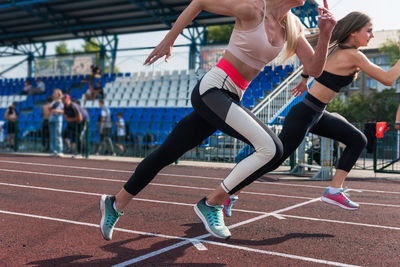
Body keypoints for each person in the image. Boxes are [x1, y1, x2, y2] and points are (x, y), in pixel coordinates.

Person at [99, 0, 336, 241]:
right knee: (272, 148)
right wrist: (170, 40)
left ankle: (115, 203)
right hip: (213, 90)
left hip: (231, 96)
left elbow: (314, 69)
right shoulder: (253, 8)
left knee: (166, 153)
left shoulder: (292, 25)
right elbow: (199, 2)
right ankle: (212, 203)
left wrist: (326, 35)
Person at [220, 11, 400, 222]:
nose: (371, 35)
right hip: (305, 113)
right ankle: (228, 194)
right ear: (353, 32)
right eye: (368, 31)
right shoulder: (352, 54)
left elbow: (315, 61)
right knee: (272, 160)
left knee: (357, 139)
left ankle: (334, 190)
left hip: (317, 113)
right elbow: (388, 79)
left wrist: (305, 77)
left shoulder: (337, 48)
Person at [48, 89, 64, 156]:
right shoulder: (53, 102)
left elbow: (63, 111)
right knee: (52, 135)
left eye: (55, 93)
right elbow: (50, 110)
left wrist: (57, 110)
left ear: (59, 94)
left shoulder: (61, 102)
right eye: (53, 93)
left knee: (57, 135)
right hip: (52, 119)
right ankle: (54, 150)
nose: (54, 94)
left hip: (58, 118)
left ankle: (59, 150)